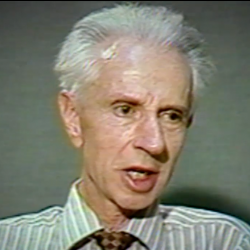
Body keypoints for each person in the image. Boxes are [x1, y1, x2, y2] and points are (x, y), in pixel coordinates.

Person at [0, 3, 249, 250]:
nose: (154, 143)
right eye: (125, 110)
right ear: (73, 116)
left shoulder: (227, 242)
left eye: (172, 116)